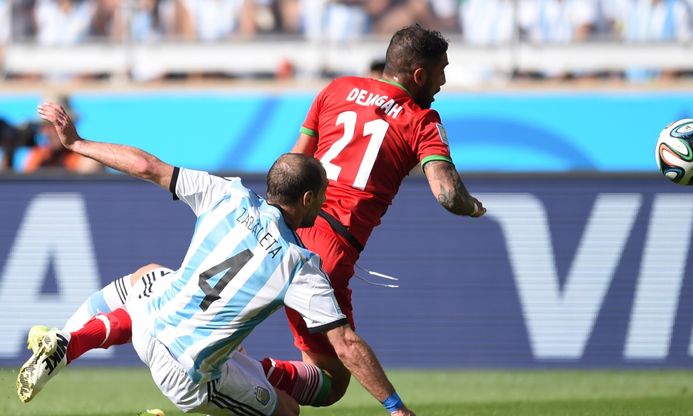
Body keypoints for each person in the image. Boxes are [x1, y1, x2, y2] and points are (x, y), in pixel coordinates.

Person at [17, 102, 415, 416]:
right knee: (288, 411)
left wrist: (77, 143)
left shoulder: (228, 193)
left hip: (148, 322)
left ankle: (68, 340)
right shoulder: (299, 264)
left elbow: (146, 166)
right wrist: (395, 406)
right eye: (323, 194)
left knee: (149, 274)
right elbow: (344, 344)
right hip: (188, 374)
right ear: (309, 199)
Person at [266, 23, 486, 407]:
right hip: (329, 250)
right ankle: (247, 373)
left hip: (284, 226)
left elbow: (293, 162)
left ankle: (232, 386)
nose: (444, 81)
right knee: (330, 383)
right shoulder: (422, 121)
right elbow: (448, 194)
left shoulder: (335, 89)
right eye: (441, 71)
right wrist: (473, 207)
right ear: (419, 75)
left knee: (288, 384)